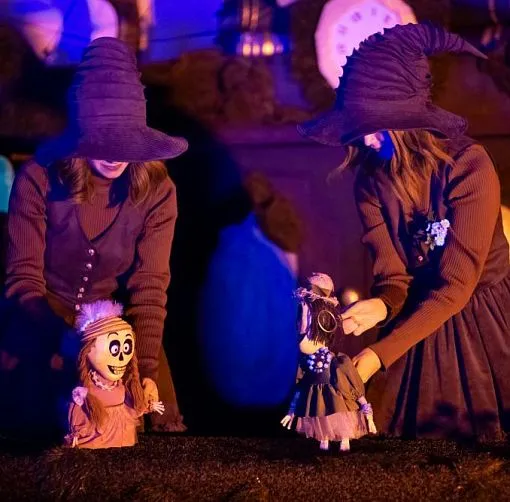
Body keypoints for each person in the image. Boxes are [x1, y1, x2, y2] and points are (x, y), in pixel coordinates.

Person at [298, 22, 510, 439]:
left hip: (482, 321)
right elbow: (394, 276)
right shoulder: (370, 181)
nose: (365, 139)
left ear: (408, 120)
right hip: (415, 320)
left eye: (375, 125)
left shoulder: (470, 167)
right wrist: (382, 305)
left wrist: (375, 357)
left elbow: (455, 287)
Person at [0, 37, 188, 435]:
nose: (115, 154)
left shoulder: (159, 191)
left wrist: (144, 368)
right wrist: (68, 343)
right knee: (38, 426)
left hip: (119, 331)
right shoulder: (38, 179)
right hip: (43, 316)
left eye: (125, 140)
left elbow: (149, 288)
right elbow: (23, 280)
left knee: (148, 419)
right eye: (104, 140)